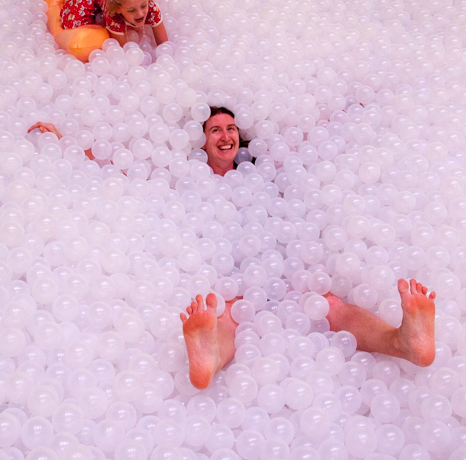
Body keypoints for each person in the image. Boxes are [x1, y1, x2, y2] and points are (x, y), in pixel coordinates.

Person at [181, 108, 437, 389]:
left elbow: (305, 141)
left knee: (328, 304)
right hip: (235, 269)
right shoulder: (192, 181)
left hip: (284, 260)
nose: (225, 135)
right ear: (202, 141)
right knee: (231, 311)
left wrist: (350, 110)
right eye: (215, 130)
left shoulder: (260, 169)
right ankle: (210, 357)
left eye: (231, 128)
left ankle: (402, 342)